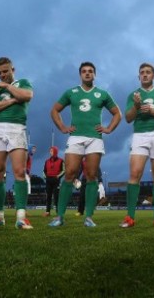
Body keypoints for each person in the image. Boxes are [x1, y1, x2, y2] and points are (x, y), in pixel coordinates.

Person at [49, 62, 121, 227]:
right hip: (75, 137)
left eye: (90, 71)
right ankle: (59, 216)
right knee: (70, 173)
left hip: (95, 138)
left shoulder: (102, 94)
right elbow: (54, 110)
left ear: (94, 74)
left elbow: (117, 113)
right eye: (84, 71)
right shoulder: (71, 93)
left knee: (91, 175)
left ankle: (88, 217)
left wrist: (109, 128)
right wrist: (62, 127)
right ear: (80, 75)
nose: (87, 74)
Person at [120, 63, 154, 229]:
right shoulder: (133, 95)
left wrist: (152, 111)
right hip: (139, 135)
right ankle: (129, 217)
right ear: (139, 77)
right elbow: (128, 118)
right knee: (135, 173)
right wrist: (136, 106)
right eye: (142, 73)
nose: (145, 75)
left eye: (148, 72)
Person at [0, 57, 34, 229]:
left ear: (13, 69)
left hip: (17, 127)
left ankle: (21, 217)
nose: (3, 75)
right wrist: (12, 100)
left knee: (19, 171)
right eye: (0, 73)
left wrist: (7, 88)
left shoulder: (23, 82)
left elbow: (27, 96)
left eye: (6, 71)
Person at [42, 146, 64, 217]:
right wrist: (45, 177)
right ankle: (47, 212)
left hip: (56, 181)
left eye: (52, 151)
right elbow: (44, 171)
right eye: (50, 151)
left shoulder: (61, 161)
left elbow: (64, 170)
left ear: (55, 151)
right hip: (48, 180)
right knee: (48, 196)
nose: (50, 152)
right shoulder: (47, 161)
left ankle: (58, 213)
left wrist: (58, 176)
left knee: (56, 196)